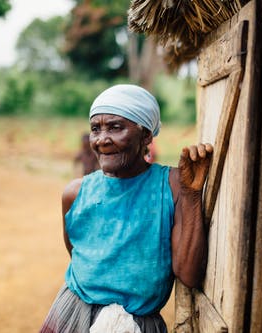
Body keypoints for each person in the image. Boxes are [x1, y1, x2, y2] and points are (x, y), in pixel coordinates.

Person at [40, 84, 213, 333]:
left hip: (138, 325)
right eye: (95, 129)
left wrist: (192, 195)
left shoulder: (173, 185)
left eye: (115, 127)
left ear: (146, 137)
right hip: (73, 315)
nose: (102, 140)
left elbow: (188, 274)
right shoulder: (75, 194)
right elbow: (77, 255)